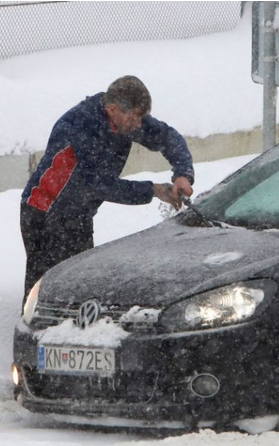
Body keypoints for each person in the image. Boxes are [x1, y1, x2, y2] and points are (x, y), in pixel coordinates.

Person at [20, 75, 194, 302]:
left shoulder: (127, 120)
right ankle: (33, 335)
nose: (139, 125)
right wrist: (152, 190)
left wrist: (182, 173)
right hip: (44, 213)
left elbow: (167, 137)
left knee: (79, 287)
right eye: (135, 118)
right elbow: (97, 185)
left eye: (143, 117)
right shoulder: (79, 126)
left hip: (78, 214)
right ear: (112, 109)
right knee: (46, 291)